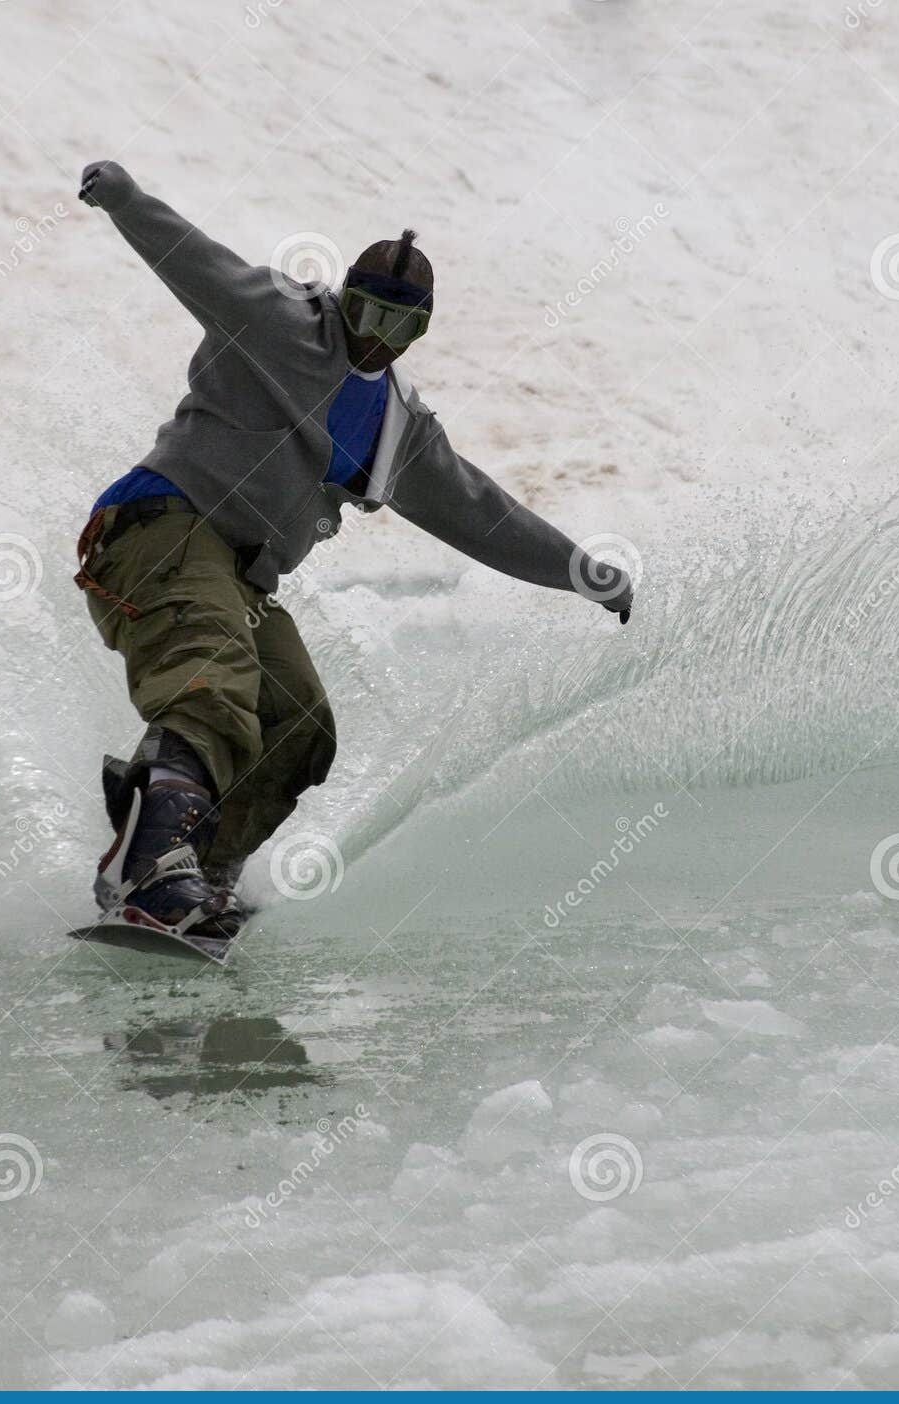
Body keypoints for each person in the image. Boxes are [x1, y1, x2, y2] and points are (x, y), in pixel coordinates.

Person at [74, 160, 634, 940]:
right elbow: (193, 258)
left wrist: (580, 570)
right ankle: (151, 868)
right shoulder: (278, 318)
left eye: (400, 328)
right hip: (161, 525)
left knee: (299, 718)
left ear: (421, 331)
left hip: (241, 576)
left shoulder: (398, 429)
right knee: (213, 683)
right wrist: (124, 198)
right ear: (344, 299)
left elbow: (482, 513)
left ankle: (203, 870)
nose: (377, 338)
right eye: (366, 313)